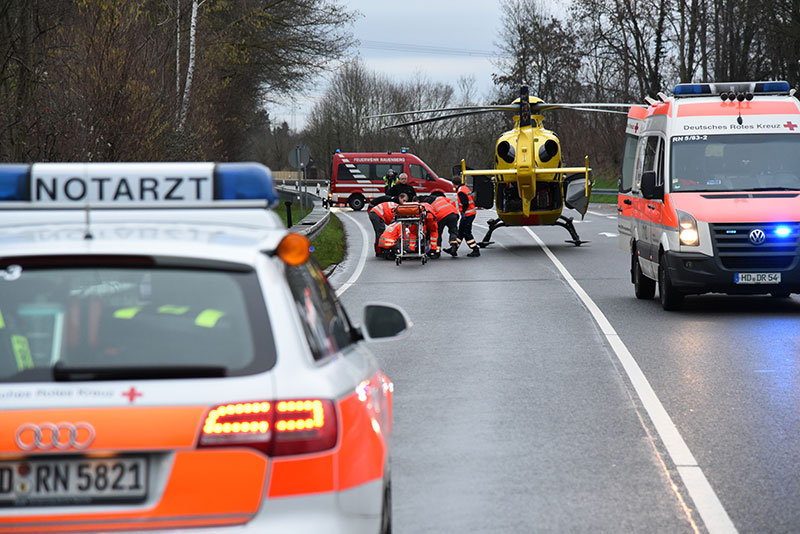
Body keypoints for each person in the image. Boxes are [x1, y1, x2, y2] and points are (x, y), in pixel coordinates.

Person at [454, 178, 480, 257]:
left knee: (466, 232)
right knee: (461, 231)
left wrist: (463, 212)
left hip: (468, 214)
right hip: (470, 213)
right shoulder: (465, 188)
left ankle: (475, 249)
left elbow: (465, 203)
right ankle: (454, 248)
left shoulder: (461, 191)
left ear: (454, 184)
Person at [429, 192, 459, 256]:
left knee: (438, 233)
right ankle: (453, 245)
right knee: (453, 231)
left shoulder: (432, 203)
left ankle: (437, 251)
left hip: (440, 216)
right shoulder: (443, 199)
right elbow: (453, 203)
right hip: (453, 214)